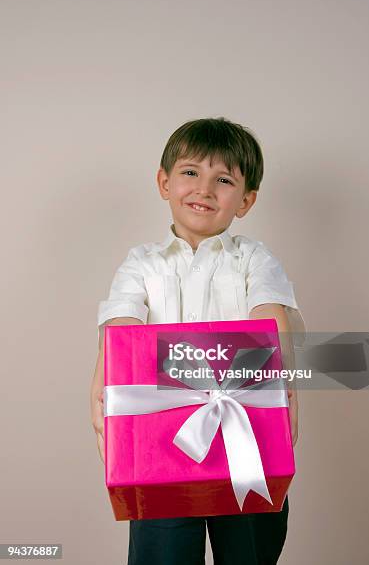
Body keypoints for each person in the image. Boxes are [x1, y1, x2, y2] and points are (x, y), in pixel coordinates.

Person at [90, 117, 306, 565]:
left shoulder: (254, 259)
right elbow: (121, 335)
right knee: (162, 554)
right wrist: (106, 396)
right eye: (191, 172)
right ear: (164, 182)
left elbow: (271, 323)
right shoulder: (141, 263)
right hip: (160, 447)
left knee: (250, 550)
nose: (204, 189)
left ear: (245, 200)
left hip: (245, 441)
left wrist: (285, 397)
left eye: (223, 179)